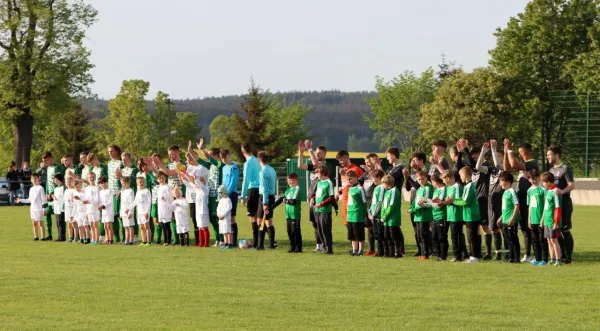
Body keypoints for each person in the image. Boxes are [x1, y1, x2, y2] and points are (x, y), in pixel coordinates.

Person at [503, 139, 538, 263]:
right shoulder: (523, 165)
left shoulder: (532, 163)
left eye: (520, 153)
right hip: (522, 199)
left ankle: (535, 255)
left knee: (530, 228)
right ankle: (527, 255)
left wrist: (510, 150)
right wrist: (506, 151)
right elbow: (507, 167)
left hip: (529, 201)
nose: (519, 155)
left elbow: (513, 163)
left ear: (526, 152)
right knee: (524, 228)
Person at [297, 141, 331, 252]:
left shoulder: (325, 166)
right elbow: (300, 166)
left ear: (325, 154)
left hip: (320, 199)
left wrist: (310, 149)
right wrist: (301, 153)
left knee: (322, 223)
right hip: (311, 198)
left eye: (320, 153)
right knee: (314, 222)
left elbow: (317, 165)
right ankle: (319, 244)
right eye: (316, 153)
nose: (317, 155)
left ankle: (326, 245)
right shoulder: (314, 166)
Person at [191, 139, 224, 247]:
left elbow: (212, 161)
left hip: (218, 196)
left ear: (217, 155)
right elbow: (199, 160)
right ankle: (218, 239)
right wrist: (190, 151)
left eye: (210, 155)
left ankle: (223, 239)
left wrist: (201, 149)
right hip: (210, 195)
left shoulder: (219, 164)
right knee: (212, 219)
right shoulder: (210, 165)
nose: (208, 157)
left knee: (219, 218)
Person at [477, 140, 506, 261]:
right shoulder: (491, 171)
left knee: (503, 229)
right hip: (491, 203)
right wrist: (483, 152)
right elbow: (478, 167)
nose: (496, 159)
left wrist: (494, 150)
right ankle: (497, 253)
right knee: (494, 228)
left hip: (502, 203)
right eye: (495, 157)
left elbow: (499, 165)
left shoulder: (504, 170)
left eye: (499, 157)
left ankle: (509, 253)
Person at [547, 145, 575, 264]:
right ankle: (561, 256)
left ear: (556, 155)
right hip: (554, 206)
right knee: (556, 230)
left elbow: (571, 185)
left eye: (549, 155)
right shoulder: (551, 170)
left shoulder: (565, 168)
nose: (547, 157)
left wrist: (562, 191)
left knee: (565, 230)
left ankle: (568, 257)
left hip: (564, 204)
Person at [447, 166, 481, 263]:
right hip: (468, 215)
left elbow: (465, 201)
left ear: (465, 175)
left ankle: (474, 257)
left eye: (461, 175)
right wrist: (453, 200)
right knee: (470, 237)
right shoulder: (467, 186)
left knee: (472, 237)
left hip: (471, 215)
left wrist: (453, 201)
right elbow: (462, 199)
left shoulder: (470, 186)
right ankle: (473, 256)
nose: (460, 177)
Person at [182, 147, 209, 247]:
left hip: (202, 204)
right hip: (192, 197)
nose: (189, 161)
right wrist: (183, 175)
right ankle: (200, 242)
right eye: (188, 159)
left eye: (191, 158)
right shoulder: (189, 167)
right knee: (196, 221)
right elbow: (189, 184)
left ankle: (204, 242)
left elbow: (195, 181)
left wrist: (187, 175)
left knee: (204, 225)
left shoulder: (201, 168)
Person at [403, 151, 427, 256]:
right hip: (413, 204)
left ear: (421, 161)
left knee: (423, 230)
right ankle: (419, 250)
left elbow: (417, 187)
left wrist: (409, 177)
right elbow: (408, 188)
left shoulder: (424, 173)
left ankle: (426, 250)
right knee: (415, 229)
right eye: (412, 160)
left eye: (415, 160)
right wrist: (407, 177)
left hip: (422, 205)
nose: (413, 162)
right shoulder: (414, 174)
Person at [272, 173, 302, 253]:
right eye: (288, 180)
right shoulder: (288, 190)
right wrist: (271, 208)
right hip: (288, 214)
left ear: (296, 180)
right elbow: (280, 199)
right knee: (289, 231)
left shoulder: (297, 189)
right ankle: (292, 247)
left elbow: (293, 201)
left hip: (294, 215)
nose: (289, 182)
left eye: (291, 180)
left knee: (295, 231)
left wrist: (286, 201)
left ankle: (298, 248)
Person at [441, 170, 467, 262]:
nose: (443, 181)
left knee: (456, 236)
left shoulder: (457, 187)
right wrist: (441, 202)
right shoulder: (449, 188)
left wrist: (450, 201)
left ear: (448, 178)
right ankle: (463, 254)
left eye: (443, 179)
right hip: (450, 215)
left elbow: (458, 200)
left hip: (456, 215)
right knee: (456, 236)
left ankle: (458, 256)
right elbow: (448, 201)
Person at [336, 150, 364, 230]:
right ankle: (353, 242)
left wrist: (345, 175)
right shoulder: (343, 170)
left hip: (353, 203)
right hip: (344, 202)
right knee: (347, 225)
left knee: (355, 226)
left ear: (347, 157)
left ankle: (359, 242)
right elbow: (346, 185)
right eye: (339, 160)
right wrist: (339, 192)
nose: (340, 162)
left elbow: (361, 185)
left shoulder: (356, 169)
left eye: (341, 159)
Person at [409, 170, 434, 260]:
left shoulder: (428, 188)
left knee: (424, 235)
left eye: (422, 179)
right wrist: (411, 208)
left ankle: (426, 254)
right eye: (418, 179)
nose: (420, 181)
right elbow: (415, 201)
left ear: (426, 178)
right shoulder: (419, 189)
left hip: (424, 216)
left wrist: (415, 208)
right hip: (417, 216)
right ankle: (422, 253)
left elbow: (426, 201)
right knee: (419, 235)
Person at [241, 143, 262, 248]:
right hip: (260, 190)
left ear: (243, 152)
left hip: (252, 190)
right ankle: (263, 241)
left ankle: (255, 243)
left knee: (252, 217)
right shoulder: (257, 161)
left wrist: (242, 195)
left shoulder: (248, 163)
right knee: (259, 217)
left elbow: (246, 180)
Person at [540, 172, 563, 266]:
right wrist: (542, 219)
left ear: (549, 182)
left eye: (543, 182)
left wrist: (556, 222)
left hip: (553, 221)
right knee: (549, 240)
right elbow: (546, 208)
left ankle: (558, 260)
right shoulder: (548, 191)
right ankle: (552, 259)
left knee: (554, 240)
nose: (542, 184)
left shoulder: (555, 192)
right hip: (547, 221)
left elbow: (557, 208)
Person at [497, 173, 520, 263]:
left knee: (513, 239)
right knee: (508, 239)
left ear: (507, 182)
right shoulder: (505, 192)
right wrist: (501, 218)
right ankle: (511, 258)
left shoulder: (512, 191)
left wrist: (512, 218)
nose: (500, 183)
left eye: (501, 181)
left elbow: (516, 206)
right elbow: (505, 208)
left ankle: (516, 258)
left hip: (511, 221)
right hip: (505, 220)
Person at [312, 165, 336, 255]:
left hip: (325, 210)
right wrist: (313, 198)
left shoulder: (329, 182)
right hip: (317, 210)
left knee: (325, 229)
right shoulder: (319, 182)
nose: (316, 174)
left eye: (317, 172)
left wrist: (321, 204)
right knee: (319, 229)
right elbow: (317, 194)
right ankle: (324, 247)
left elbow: (331, 198)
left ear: (322, 173)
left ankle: (329, 249)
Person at [41, 152, 65, 240]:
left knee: (59, 215)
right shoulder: (48, 168)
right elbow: (48, 182)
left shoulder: (57, 167)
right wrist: (47, 192)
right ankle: (50, 235)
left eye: (46, 160)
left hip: (56, 195)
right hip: (49, 195)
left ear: (51, 158)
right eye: (44, 161)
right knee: (47, 213)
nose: (45, 162)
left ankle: (61, 235)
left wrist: (52, 193)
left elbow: (58, 182)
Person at [256, 151, 277, 250]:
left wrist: (264, 203)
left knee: (260, 221)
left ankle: (260, 245)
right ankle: (272, 244)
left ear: (259, 159)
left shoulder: (263, 172)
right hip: (272, 196)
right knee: (269, 221)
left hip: (265, 197)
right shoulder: (272, 169)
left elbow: (264, 189)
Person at [527, 169, 548, 266]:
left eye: (535, 178)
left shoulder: (543, 190)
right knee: (534, 240)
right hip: (533, 220)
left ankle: (544, 259)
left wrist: (543, 219)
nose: (533, 180)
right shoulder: (529, 190)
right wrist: (529, 219)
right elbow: (530, 206)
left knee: (542, 240)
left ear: (539, 178)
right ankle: (537, 258)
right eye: (531, 179)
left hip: (541, 220)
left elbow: (546, 206)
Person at [220, 149, 239, 245]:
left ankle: (233, 242)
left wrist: (227, 193)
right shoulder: (224, 168)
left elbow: (233, 182)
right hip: (224, 195)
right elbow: (223, 182)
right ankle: (227, 241)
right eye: (222, 158)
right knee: (225, 218)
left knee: (231, 218)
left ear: (229, 155)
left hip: (231, 195)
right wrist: (221, 193)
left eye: (225, 157)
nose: (223, 160)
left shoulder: (234, 167)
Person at [345, 170, 367, 256]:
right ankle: (354, 249)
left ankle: (360, 250)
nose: (349, 181)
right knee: (352, 233)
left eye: (350, 179)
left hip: (357, 213)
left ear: (355, 178)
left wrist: (364, 213)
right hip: (350, 214)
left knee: (359, 233)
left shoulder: (360, 189)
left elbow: (364, 202)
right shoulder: (350, 188)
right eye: (347, 179)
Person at [380, 175, 402, 258]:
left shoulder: (394, 191)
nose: (383, 185)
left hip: (393, 218)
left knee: (394, 236)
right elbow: (384, 205)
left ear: (387, 183)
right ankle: (390, 253)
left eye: (383, 184)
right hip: (386, 219)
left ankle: (398, 253)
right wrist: (382, 215)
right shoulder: (387, 192)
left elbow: (391, 206)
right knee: (387, 236)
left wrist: (385, 216)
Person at [88, 153, 108, 239]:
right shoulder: (92, 168)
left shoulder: (103, 167)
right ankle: (98, 235)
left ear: (95, 159)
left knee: (102, 214)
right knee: (96, 215)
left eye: (91, 162)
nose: (90, 164)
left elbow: (106, 179)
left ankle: (103, 235)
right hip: (94, 193)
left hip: (102, 192)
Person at [127, 177, 152, 246]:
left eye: (142, 182)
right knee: (141, 227)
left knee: (146, 226)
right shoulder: (138, 192)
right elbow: (135, 202)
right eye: (139, 182)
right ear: (137, 183)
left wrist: (147, 212)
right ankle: (144, 241)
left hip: (145, 212)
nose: (141, 183)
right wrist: (129, 208)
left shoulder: (147, 191)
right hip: (139, 212)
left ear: (144, 182)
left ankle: (148, 242)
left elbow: (149, 202)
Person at [106, 145, 124, 243]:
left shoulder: (121, 163)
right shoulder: (108, 163)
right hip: (110, 193)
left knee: (121, 215)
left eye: (112, 151)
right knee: (112, 216)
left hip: (119, 193)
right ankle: (116, 237)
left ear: (117, 151)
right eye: (109, 151)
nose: (110, 153)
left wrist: (121, 190)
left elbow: (123, 178)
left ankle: (125, 237)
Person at [367, 169, 386, 257]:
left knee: (380, 234)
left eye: (374, 178)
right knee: (377, 234)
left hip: (378, 215)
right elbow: (373, 202)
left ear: (379, 178)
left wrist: (373, 213)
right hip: (373, 214)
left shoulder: (382, 188)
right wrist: (370, 211)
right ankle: (380, 251)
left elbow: (380, 201)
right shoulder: (376, 187)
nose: (373, 180)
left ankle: (382, 251)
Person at [430, 174, 448, 261]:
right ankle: (438, 254)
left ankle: (443, 255)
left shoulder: (444, 189)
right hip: (434, 216)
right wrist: (425, 203)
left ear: (435, 182)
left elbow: (439, 205)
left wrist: (428, 202)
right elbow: (433, 204)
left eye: (432, 181)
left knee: (442, 237)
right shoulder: (436, 190)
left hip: (441, 215)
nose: (432, 183)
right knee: (434, 236)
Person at [26, 173, 47, 240]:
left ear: (38, 178)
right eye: (32, 178)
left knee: (40, 223)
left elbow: (43, 199)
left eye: (35, 178)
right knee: (34, 223)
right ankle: (36, 237)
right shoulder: (31, 189)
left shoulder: (41, 188)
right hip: (33, 209)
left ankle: (43, 237)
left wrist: (44, 209)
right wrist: (20, 200)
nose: (34, 180)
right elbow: (29, 200)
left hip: (39, 209)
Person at [157, 171, 174, 246]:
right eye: (160, 178)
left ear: (165, 178)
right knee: (163, 225)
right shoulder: (159, 187)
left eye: (162, 178)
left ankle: (169, 241)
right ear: (157, 180)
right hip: (161, 208)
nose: (161, 180)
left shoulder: (167, 187)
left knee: (167, 225)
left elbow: (171, 198)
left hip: (167, 208)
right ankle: (165, 241)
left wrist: (172, 208)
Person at [83, 172, 100, 245]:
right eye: (90, 177)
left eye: (93, 177)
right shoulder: (86, 188)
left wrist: (89, 201)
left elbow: (97, 199)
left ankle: (97, 240)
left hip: (95, 208)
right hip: (89, 209)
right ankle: (93, 239)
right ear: (87, 179)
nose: (91, 179)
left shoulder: (97, 188)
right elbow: (85, 198)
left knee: (95, 225)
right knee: (91, 225)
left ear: (95, 178)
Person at [98, 177, 115, 244]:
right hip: (104, 211)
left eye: (104, 182)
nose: (103, 184)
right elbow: (100, 201)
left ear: (107, 182)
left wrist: (104, 205)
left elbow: (110, 201)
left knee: (109, 225)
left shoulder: (109, 191)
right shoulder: (101, 191)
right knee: (105, 226)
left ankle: (111, 240)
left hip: (109, 210)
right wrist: (100, 206)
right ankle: (107, 239)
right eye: (101, 183)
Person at [119, 177, 135, 245]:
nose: (123, 185)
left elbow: (131, 202)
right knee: (125, 226)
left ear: (128, 183)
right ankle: (127, 240)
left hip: (128, 211)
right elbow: (122, 203)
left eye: (124, 183)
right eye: (122, 183)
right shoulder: (123, 191)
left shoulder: (130, 191)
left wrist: (130, 212)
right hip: (123, 211)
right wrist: (121, 212)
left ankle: (131, 240)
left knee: (130, 226)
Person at [73, 180, 90, 244]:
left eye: (79, 186)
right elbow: (75, 205)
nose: (78, 188)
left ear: (81, 186)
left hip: (84, 211)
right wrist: (73, 214)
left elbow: (85, 202)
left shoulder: (84, 192)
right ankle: (82, 239)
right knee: (80, 226)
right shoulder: (74, 193)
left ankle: (88, 239)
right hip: (78, 212)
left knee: (85, 225)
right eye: (76, 187)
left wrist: (79, 199)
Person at [51, 174, 66, 241]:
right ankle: (59, 236)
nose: (55, 181)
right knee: (57, 223)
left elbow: (64, 198)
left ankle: (62, 237)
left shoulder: (63, 188)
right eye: (55, 180)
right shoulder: (56, 188)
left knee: (61, 222)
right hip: (56, 207)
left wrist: (56, 199)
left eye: (56, 180)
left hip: (61, 207)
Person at [216, 185, 233, 249]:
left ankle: (230, 244)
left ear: (224, 192)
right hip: (221, 218)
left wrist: (223, 215)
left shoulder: (228, 200)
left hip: (226, 218)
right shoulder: (221, 200)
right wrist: (219, 215)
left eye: (221, 193)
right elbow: (218, 208)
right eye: (220, 193)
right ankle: (226, 243)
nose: (220, 194)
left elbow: (228, 209)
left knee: (228, 231)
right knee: (224, 231)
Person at [64, 178, 77, 242]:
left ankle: (76, 237)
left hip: (73, 208)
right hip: (67, 208)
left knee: (74, 223)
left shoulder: (74, 190)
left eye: (70, 182)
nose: (68, 183)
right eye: (67, 182)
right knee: (68, 223)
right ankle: (70, 237)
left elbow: (75, 201)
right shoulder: (66, 191)